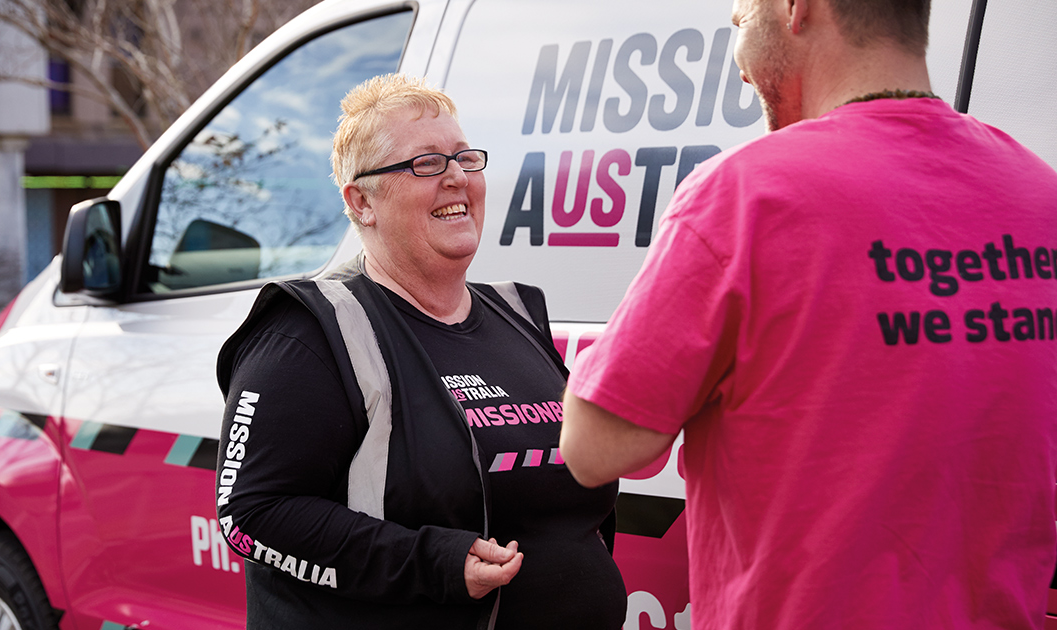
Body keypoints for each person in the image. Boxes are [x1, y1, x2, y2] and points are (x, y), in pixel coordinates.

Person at [559, 0, 1057, 628]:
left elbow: (593, 447)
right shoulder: (1041, 196)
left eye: (739, 20)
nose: (737, 61)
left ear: (795, 9)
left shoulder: (747, 196)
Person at [215, 74, 626, 629]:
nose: (457, 177)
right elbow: (251, 514)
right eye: (426, 164)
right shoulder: (309, 333)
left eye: (465, 158)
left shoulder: (518, 316)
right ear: (361, 200)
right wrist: (430, 563)